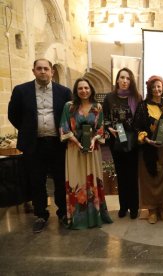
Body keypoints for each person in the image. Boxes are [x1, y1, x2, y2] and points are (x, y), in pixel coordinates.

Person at [8, 58, 72, 233]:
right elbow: (13, 115)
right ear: (33, 71)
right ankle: (41, 214)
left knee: (60, 179)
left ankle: (62, 213)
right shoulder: (21, 91)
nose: (43, 71)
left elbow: (70, 116)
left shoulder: (64, 92)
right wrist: (28, 129)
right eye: (39, 68)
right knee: (37, 180)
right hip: (33, 144)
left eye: (46, 69)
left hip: (57, 143)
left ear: (52, 71)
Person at [59, 78, 113, 229]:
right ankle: (79, 218)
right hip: (74, 150)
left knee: (93, 181)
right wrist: (77, 142)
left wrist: (94, 139)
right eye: (80, 88)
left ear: (91, 90)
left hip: (92, 149)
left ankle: (95, 216)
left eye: (86, 88)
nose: (84, 91)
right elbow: (64, 127)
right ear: (76, 91)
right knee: (76, 182)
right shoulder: (68, 107)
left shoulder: (98, 107)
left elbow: (101, 129)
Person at [133, 75, 163, 224]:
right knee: (150, 179)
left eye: (159, 86)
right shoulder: (142, 106)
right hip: (149, 148)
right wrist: (145, 139)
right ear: (150, 89)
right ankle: (151, 210)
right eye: (153, 87)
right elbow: (136, 126)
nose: (156, 89)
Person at [103, 68, 142, 219]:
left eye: (128, 78)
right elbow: (104, 116)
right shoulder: (109, 98)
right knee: (121, 174)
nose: (125, 81)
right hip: (116, 140)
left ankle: (134, 207)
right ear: (117, 80)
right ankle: (123, 206)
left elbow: (139, 119)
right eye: (122, 78)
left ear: (131, 81)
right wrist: (109, 127)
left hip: (132, 141)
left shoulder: (137, 98)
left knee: (132, 174)